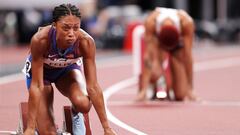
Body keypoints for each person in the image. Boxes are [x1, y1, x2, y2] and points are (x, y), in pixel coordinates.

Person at [22, 4, 116, 135]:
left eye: (76, 28)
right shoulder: (40, 40)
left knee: (83, 103)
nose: (71, 34)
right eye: (66, 28)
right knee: (49, 132)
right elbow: (37, 86)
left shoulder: (86, 42)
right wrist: (30, 128)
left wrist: (106, 128)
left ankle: (74, 114)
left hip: (66, 72)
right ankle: (37, 124)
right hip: (42, 76)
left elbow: (93, 86)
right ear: (54, 25)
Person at [136, 7, 197, 101]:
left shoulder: (187, 23)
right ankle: (156, 86)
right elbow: (148, 56)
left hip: (177, 47)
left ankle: (172, 85)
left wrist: (190, 88)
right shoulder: (151, 22)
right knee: (155, 73)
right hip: (158, 45)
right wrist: (143, 90)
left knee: (180, 95)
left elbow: (188, 57)